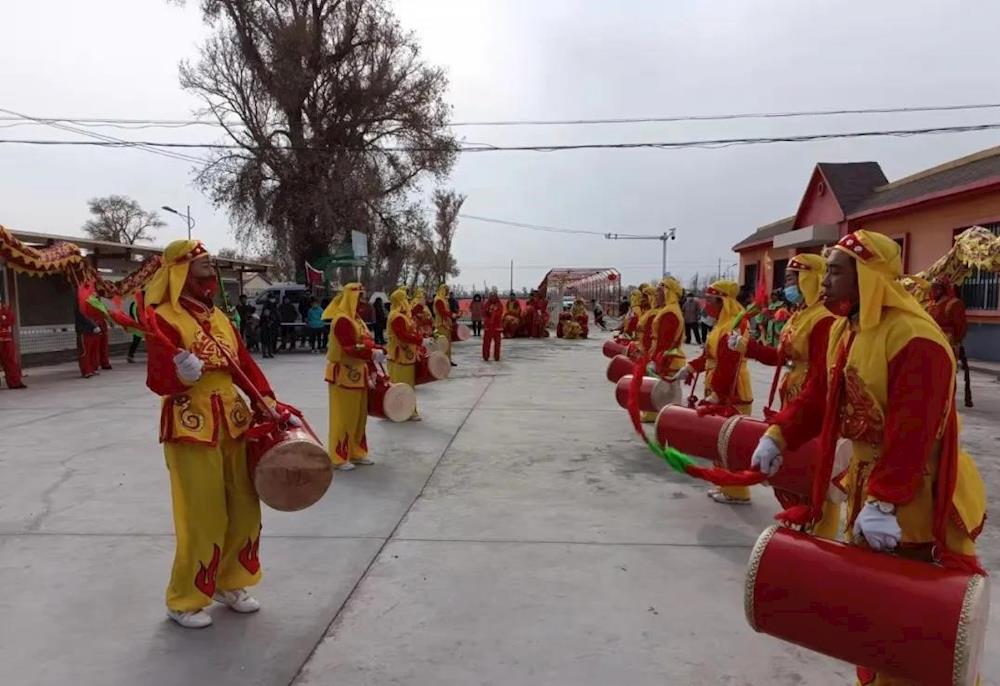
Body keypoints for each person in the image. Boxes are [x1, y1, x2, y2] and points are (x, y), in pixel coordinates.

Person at [751, 231, 986, 685]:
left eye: (836, 271)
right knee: (873, 610)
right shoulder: (847, 328)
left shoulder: (916, 338)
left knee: (911, 613)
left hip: (913, 493)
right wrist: (779, 436)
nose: (826, 282)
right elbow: (821, 393)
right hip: (868, 481)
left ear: (868, 276)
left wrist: (885, 502)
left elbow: (913, 430)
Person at [144, 239, 297, 629]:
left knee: (245, 507)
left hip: (234, 420)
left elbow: (244, 365)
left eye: (211, 267)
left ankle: (231, 583)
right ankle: (184, 598)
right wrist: (180, 374)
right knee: (203, 514)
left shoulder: (222, 319)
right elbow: (158, 380)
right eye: (201, 266)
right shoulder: (164, 318)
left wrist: (265, 399)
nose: (209, 273)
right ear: (180, 272)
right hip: (190, 424)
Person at [729, 254, 839, 538]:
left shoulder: (824, 320)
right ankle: (799, 525)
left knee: (811, 468)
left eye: (793, 279)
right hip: (793, 395)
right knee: (790, 466)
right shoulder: (800, 316)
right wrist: (747, 346)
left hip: (812, 402)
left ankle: (817, 534)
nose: (788, 285)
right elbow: (781, 358)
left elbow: (820, 378)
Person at [671, 280, 753, 504]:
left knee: (733, 439)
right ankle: (725, 484)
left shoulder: (735, 324)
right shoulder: (720, 324)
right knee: (719, 438)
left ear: (723, 301)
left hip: (731, 388)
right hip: (716, 383)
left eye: (710, 300)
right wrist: (690, 367)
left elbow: (729, 363)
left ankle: (737, 491)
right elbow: (710, 355)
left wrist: (718, 392)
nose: (707, 305)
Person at [325, 283, 380, 471]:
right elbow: (348, 347)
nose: (362, 301)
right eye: (359, 297)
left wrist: (373, 361)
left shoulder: (357, 320)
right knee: (344, 417)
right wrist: (371, 353)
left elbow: (365, 343)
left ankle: (356, 452)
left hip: (359, 373)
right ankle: (339, 456)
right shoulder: (342, 320)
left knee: (359, 417)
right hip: (344, 374)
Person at [386, 287, 424, 421]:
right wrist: (418, 340)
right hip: (401, 356)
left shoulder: (400, 315)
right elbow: (402, 336)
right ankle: (406, 411)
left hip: (403, 355)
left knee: (400, 384)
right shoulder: (397, 317)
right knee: (404, 385)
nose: (407, 301)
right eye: (405, 298)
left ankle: (400, 410)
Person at [0, 299, 26, 388]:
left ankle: (15, 383)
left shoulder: (6, 311)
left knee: (10, 361)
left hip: (6, 340)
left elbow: (11, 320)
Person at [75, 297, 102, 379]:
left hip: (93, 330)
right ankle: (86, 371)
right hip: (85, 331)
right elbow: (82, 315)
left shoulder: (91, 301)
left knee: (93, 351)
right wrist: (93, 325)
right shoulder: (79, 303)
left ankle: (92, 368)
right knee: (85, 352)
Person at [434, 284, 457, 365]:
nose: (447, 292)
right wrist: (451, 315)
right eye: (446, 290)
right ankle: (443, 361)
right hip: (441, 324)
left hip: (446, 323)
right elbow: (442, 311)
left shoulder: (444, 299)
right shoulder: (439, 300)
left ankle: (448, 360)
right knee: (442, 343)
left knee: (448, 343)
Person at [482, 291, 503, 361]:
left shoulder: (499, 304)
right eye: (491, 296)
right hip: (488, 326)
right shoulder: (486, 304)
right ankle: (486, 356)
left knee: (497, 343)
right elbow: (484, 313)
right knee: (486, 342)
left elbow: (499, 313)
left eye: (494, 296)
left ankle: (497, 357)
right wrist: (489, 312)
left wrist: (493, 313)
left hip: (497, 326)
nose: (493, 298)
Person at [126, 297, 144, 363]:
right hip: (138, 325)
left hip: (140, 325)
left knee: (136, 340)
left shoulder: (135, 304)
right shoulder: (135, 304)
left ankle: (130, 355)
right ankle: (130, 355)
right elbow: (132, 315)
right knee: (136, 340)